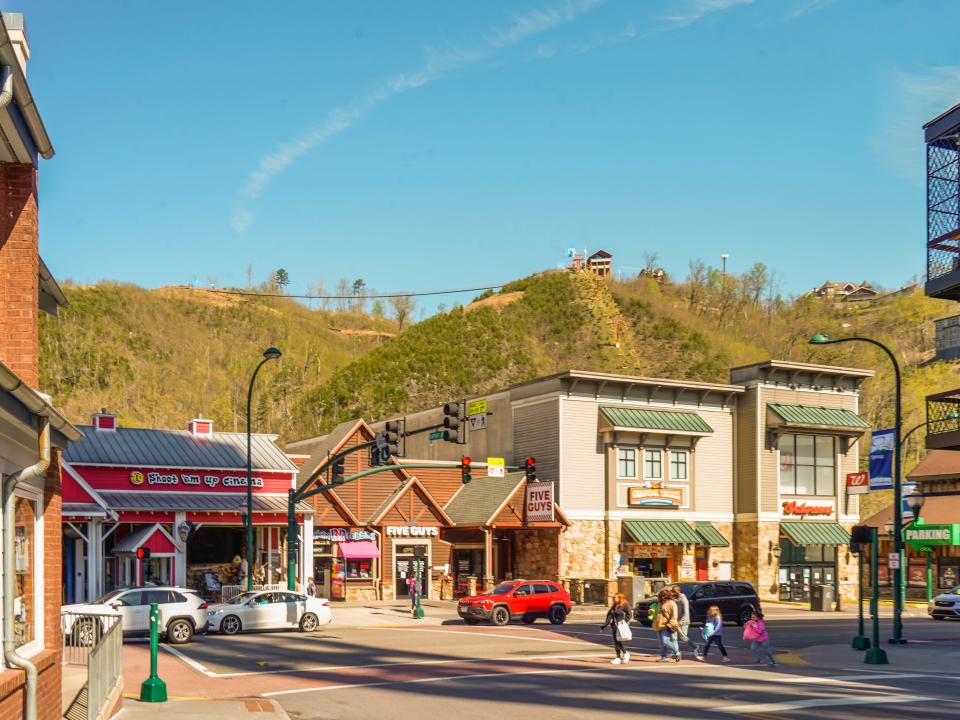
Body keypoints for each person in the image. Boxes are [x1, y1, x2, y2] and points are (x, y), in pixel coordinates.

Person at [600, 593, 633, 665]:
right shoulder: (614, 606)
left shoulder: (624, 605)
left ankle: (623, 655)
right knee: (616, 642)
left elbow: (629, 614)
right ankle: (620, 656)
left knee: (618, 641)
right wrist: (604, 625)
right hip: (614, 626)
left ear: (620, 598)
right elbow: (609, 616)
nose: (614, 599)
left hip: (620, 626)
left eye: (616, 597)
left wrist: (624, 622)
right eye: (614, 597)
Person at [651, 588, 680, 662]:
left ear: (667, 595)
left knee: (665, 641)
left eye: (663, 595)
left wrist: (669, 625)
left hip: (666, 625)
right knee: (661, 643)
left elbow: (674, 616)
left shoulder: (671, 603)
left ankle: (677, 652)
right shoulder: (660, 603)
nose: (662, 597)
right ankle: (664, 657)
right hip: (658, 625)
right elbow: (657, 614)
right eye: (661, 595)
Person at [671, 585, 698, 657]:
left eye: (673, 592)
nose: (672, 593)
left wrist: (680, 623)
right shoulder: (674, 598)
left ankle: (695, 646)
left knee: (683, 638)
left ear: (678, 591)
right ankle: (676, 653)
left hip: (684, 621)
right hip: (676, 621)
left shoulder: (683, 599)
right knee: (673, 637)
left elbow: (686, 613)